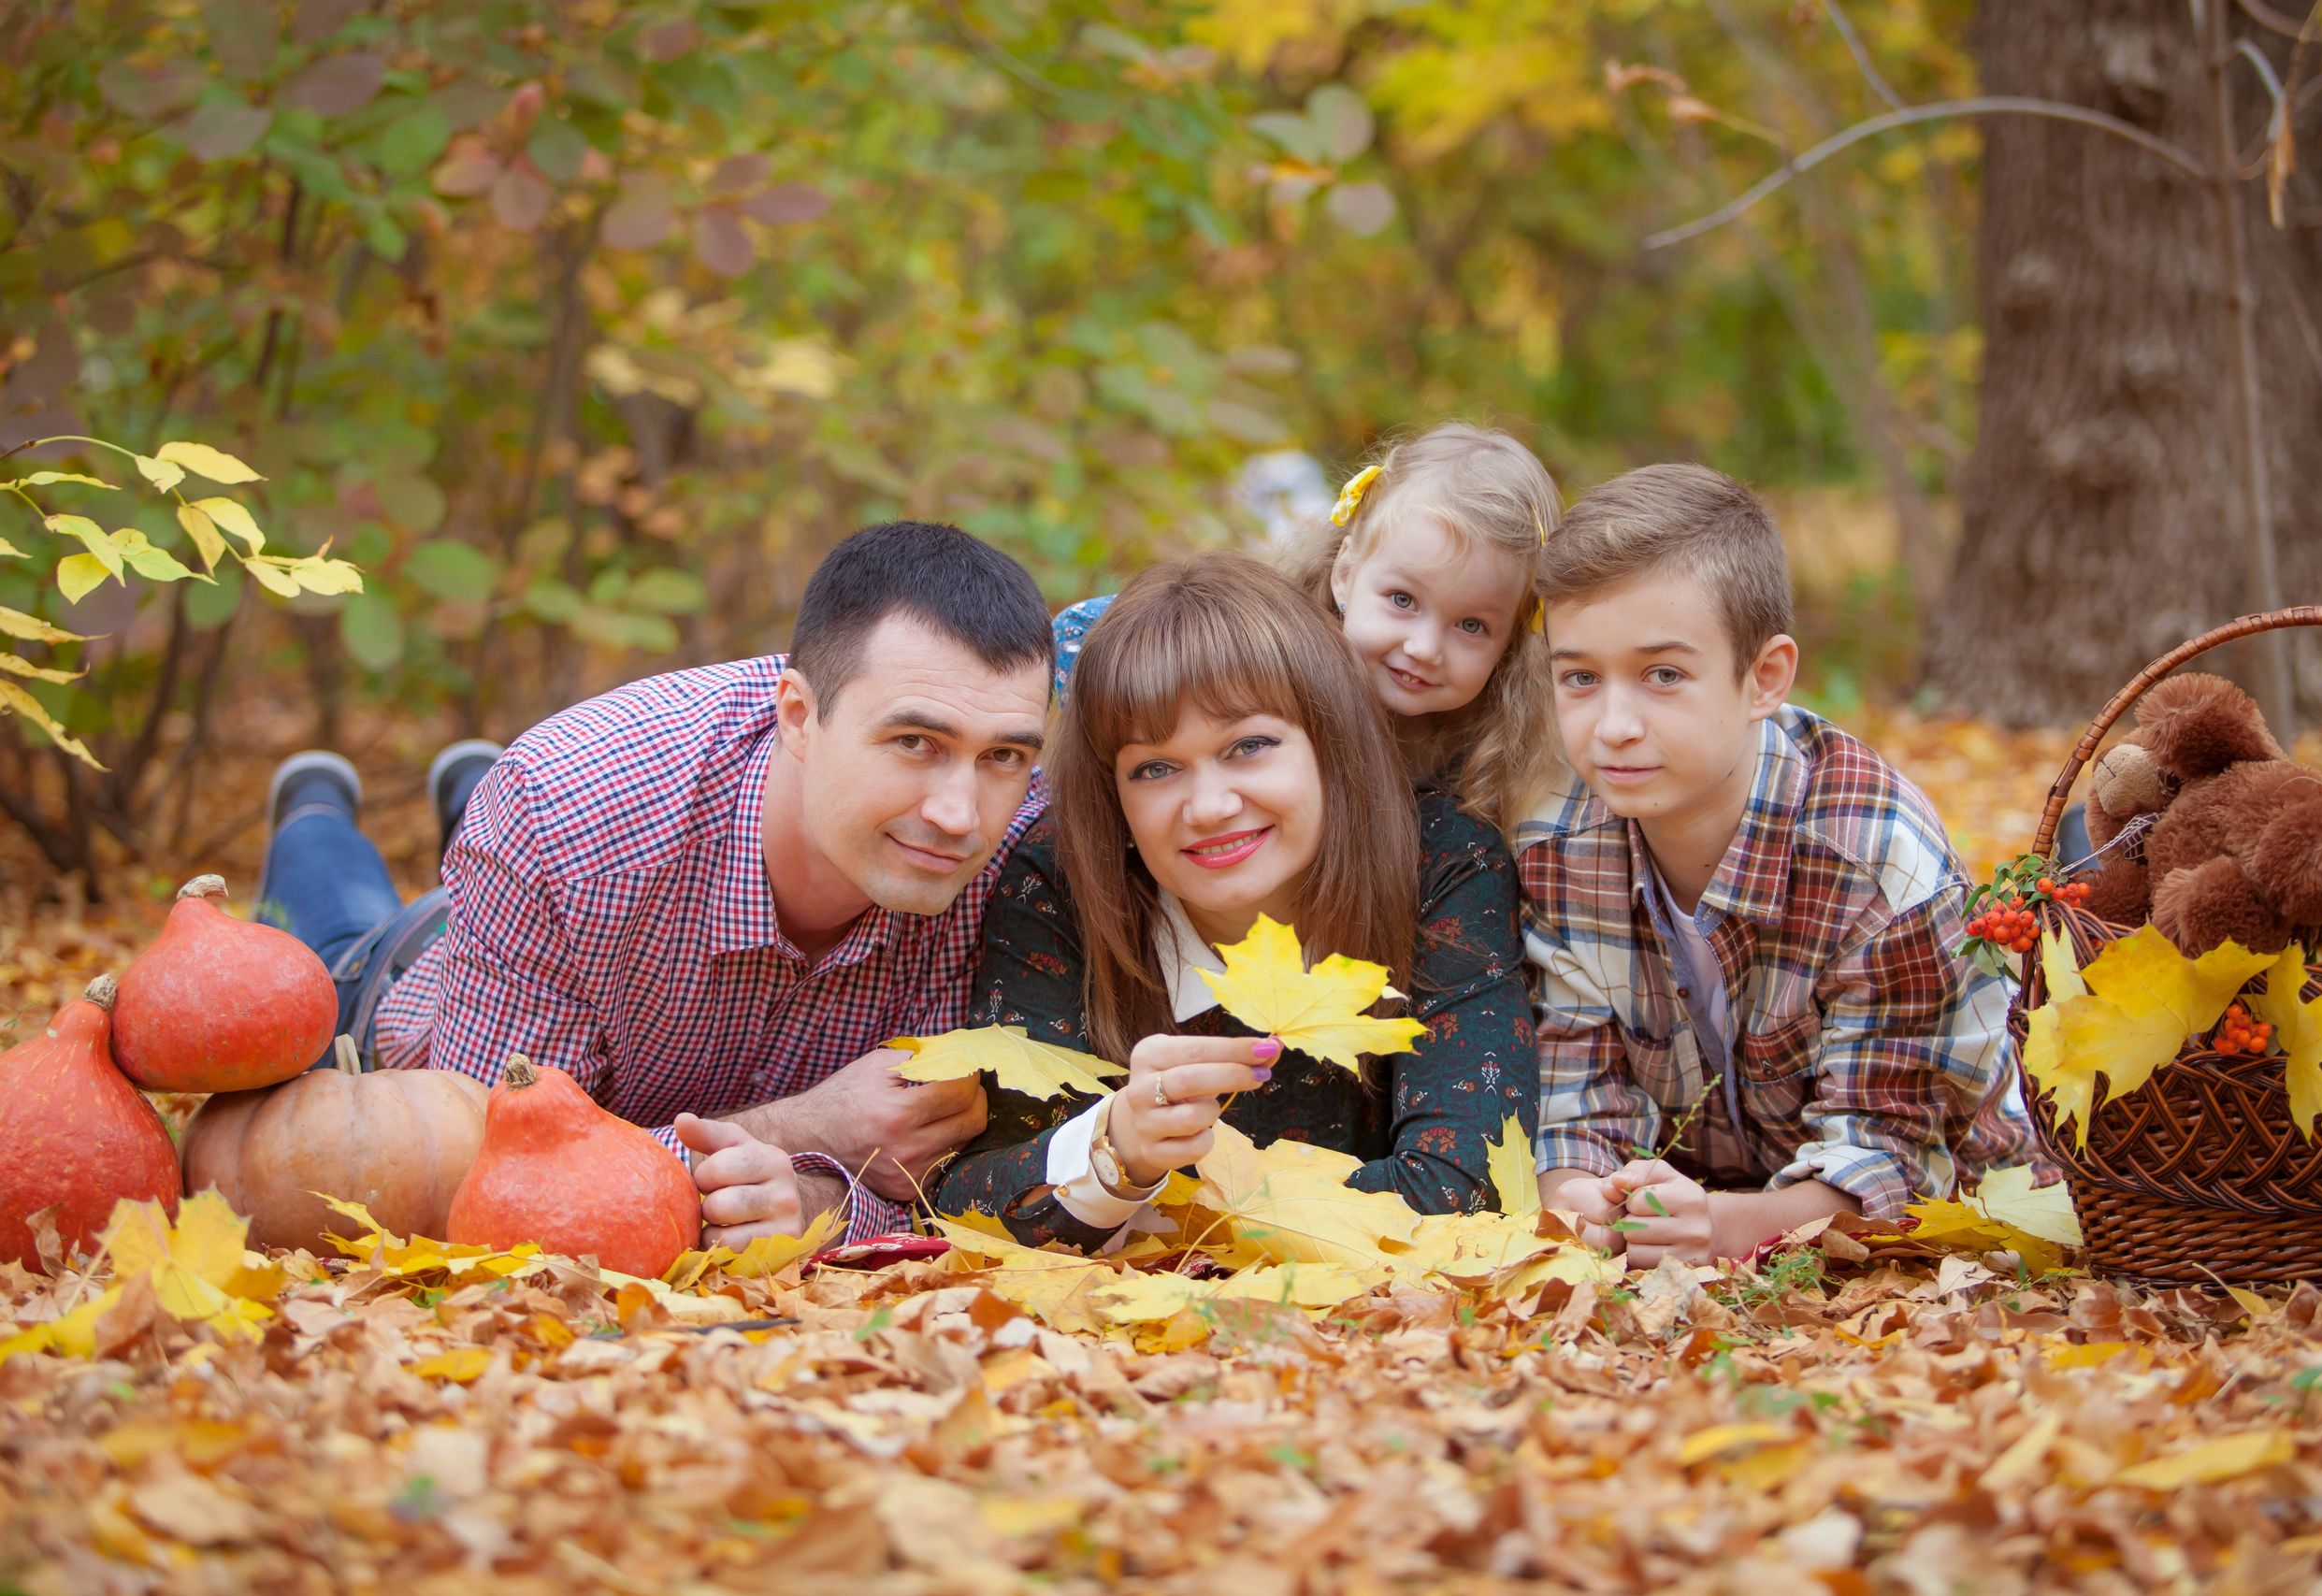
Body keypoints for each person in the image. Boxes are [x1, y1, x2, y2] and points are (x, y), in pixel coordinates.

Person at [253, 522, 1055, 1248]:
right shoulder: (564, 810)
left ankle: (461, 787)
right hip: (423, 998)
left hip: (578, 925)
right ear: (800, 716)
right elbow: (492, 1185)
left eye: (1004, 757)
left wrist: (821, 1199)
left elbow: (953, 1185)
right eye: (915, 741)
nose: (959, 815)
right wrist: (809, 1126)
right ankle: (314, 808)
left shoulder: (1026, 850)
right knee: (338, 926)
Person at [1520, 466, 2054, 1267]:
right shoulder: (1559, 847)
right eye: (1581, 678)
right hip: (1695, 1191)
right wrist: (1582, 1200)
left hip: (1964, 1210)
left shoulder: (1878, 861)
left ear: (1764, 677)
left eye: (1663, 674)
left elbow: (1897, 1165)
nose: (1614, 725)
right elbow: (1576, 1096)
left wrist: (1723, 1230)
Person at [931, 556, 1537, 1251]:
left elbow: (1465, 1190)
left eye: (1249, 746)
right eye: (1154, 768)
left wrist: (1153, 1199)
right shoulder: (1060, 879)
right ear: (1113, 795)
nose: (1211, 806)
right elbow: (968, 1202)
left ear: (1331, 742)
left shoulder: (1441, 860)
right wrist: (1118, 1150)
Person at [1052, 424, 1561, 826]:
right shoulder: (1262, 648)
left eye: (1472, 626)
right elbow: (1081, 631)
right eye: (1402, 599)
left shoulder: (1496, 753)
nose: (1426, 647)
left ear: (1511, 642)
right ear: (1345, 574)